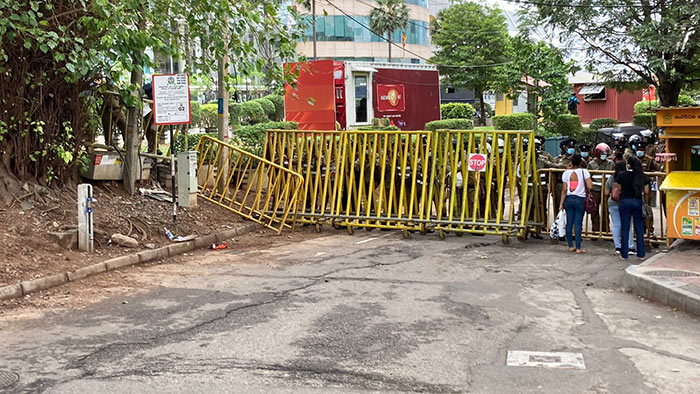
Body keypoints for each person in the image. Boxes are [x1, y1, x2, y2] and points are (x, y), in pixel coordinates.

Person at [616, 156, 650, 261]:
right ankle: (641, 254)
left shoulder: (622, 175)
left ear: (628, 165)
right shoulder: (642, 176)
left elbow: (618, 188)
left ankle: (624, 254)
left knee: (625, 228)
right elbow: (647, 191)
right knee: (639, 228)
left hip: (625, 201)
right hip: (637, 202)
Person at [559, 154, 592, 254]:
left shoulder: (566, 173)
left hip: (568, 199)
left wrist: (561, 203)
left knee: (569, 223)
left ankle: (570, 246)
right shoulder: (584, 172)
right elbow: (590, 186)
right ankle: (578, 247)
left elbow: (564, 190)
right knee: (578, 224)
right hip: (580, 199)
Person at [605, 161, 635, 254]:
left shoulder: (612, 178)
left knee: (617, 225)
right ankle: (630, 247)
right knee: (628, 226)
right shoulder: (630, 177)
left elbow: (606, 192)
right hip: (626, 202)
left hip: (613, 203)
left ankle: (618, 246)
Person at [587, 143, 615, 237]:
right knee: (594, 211)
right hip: (595, 190)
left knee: (606, 211)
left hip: (606, 191)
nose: (604, 155)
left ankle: (605, 230)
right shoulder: (591, 164)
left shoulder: (611, 163)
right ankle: (595, 230)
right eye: (603, 153)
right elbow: (588, 177)